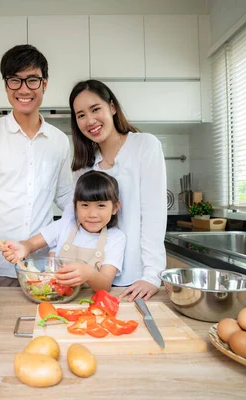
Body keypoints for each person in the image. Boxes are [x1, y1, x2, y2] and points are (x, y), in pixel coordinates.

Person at [0, 45, 72, 295]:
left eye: (32, 80)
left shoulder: (60, 141)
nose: (24, 89)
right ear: (6, 86)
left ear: (45, 84)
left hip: (42, 267)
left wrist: (98, 209)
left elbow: (65, 199)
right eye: (15, 81)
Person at [66, 79, 167, 301]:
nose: (90, 120)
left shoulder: (145, 146)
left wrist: (152, 276)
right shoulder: (84, 166)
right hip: (96, 282)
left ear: (112, 107)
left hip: (136, 281)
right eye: (81, 115)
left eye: (95, 109)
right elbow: (70, 221)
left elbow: (153, 215)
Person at [0, 170, 126, 292]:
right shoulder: (65, 225)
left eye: (101, 205)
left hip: (88, 303)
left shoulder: (116, 238)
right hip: (54, 296)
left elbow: (105, 285)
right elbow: (31, 244)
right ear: (75, 206)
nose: (92, 214)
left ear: (115, 208)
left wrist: (90, 274)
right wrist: (23, 248)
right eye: (85, 205)